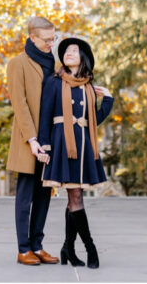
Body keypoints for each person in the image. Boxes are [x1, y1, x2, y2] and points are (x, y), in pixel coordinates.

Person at [37, 37, 113, 268]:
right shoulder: (54, 82)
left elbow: (93, 121)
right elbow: (45, 115)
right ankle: (90, 248)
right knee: (76, 197)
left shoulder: (89, 86)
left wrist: (107, 100)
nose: (68, 53)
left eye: (73, 50)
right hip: (63, 146)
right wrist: (45, 145)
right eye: (66, 51)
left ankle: (67, 248)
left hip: (84, 147)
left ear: (83, 57)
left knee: (74, 198)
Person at [5, 16, 61, 266]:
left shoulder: (55, 63)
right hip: (29, 141)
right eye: (47, 40)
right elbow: (20, 103)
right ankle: (23, 249)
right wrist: (32, 139)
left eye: (54, 38)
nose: (51, 43)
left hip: (51, 140)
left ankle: (37, 245)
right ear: (32, 37)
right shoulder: (17, 63)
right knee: (25, 196)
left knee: (44, 194)